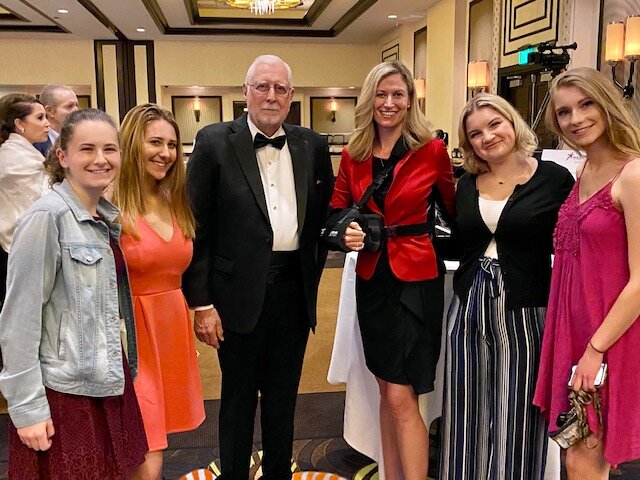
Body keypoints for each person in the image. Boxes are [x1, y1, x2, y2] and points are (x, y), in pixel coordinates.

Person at [182, 54, 334, 480]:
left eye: (281, 88)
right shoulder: (214, 141)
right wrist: (201, 303)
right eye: (262, 86)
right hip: (235, 297)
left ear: (290, 97)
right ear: (245, 92)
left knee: (284, 400)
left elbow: (323, 218)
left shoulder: (312, 144)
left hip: (292, 293)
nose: (271, 95)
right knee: (237, 400)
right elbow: (197, 227)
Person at [0, 108, 148, 478]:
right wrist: (28, 409)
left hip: (104, 381)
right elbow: (19, 320)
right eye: (87, 149)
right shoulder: (46, 218)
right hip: (64, 394)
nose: (101, 159)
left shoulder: (102, 217)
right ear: (63, 157)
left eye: (109, 149)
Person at [329, 60, 455, 480]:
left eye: (397, 95)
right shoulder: (354, 153)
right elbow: (337, 212)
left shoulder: (431, 150)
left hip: (416, 281)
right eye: (381, 94)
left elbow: (456, 212)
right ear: (369, 99)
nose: (388, 102)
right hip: (372, 280)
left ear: (409, 100)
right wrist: (344, 231)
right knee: (386, 388)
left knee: (403, 395)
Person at [438, 93, 574, 479]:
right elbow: (456, 241)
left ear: (512, 122)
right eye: (476, 133)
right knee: (465, 407)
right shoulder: (466, 184)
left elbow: (570, 240)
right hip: (468, 303)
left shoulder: (553, 178)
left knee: (518, 408)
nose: (488, 137)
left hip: (526, 306)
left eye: (494, 124)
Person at [533, 67, 640, 479]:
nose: (575, 119)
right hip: (575, 330)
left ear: (607, 104)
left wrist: (595, 349)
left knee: (584, 459)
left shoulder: (630, 175)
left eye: (585, 104)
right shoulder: (581, 174)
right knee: (577, 451)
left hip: (608, 335)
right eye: (564, 112)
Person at [114, 103, 205, 480]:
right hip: (128, 336)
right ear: (133, 143)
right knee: (146, 450)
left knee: (154, 444)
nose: (165, 153)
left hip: (170, 330)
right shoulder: (110, 204)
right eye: (155, 142)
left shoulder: (174, 199)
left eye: (172, 144)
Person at [0, 93, 50, 308]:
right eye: (40, 118)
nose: (47, 123)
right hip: (19, 246)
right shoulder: (14, 157)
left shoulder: (25, 153)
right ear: (19, 124)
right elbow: (42, 201)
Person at [33, 84, 79, 155]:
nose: (76, 110)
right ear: (49, 111)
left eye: (76, 105)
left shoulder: (80, 137)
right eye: (69, 106)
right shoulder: (36, 143)